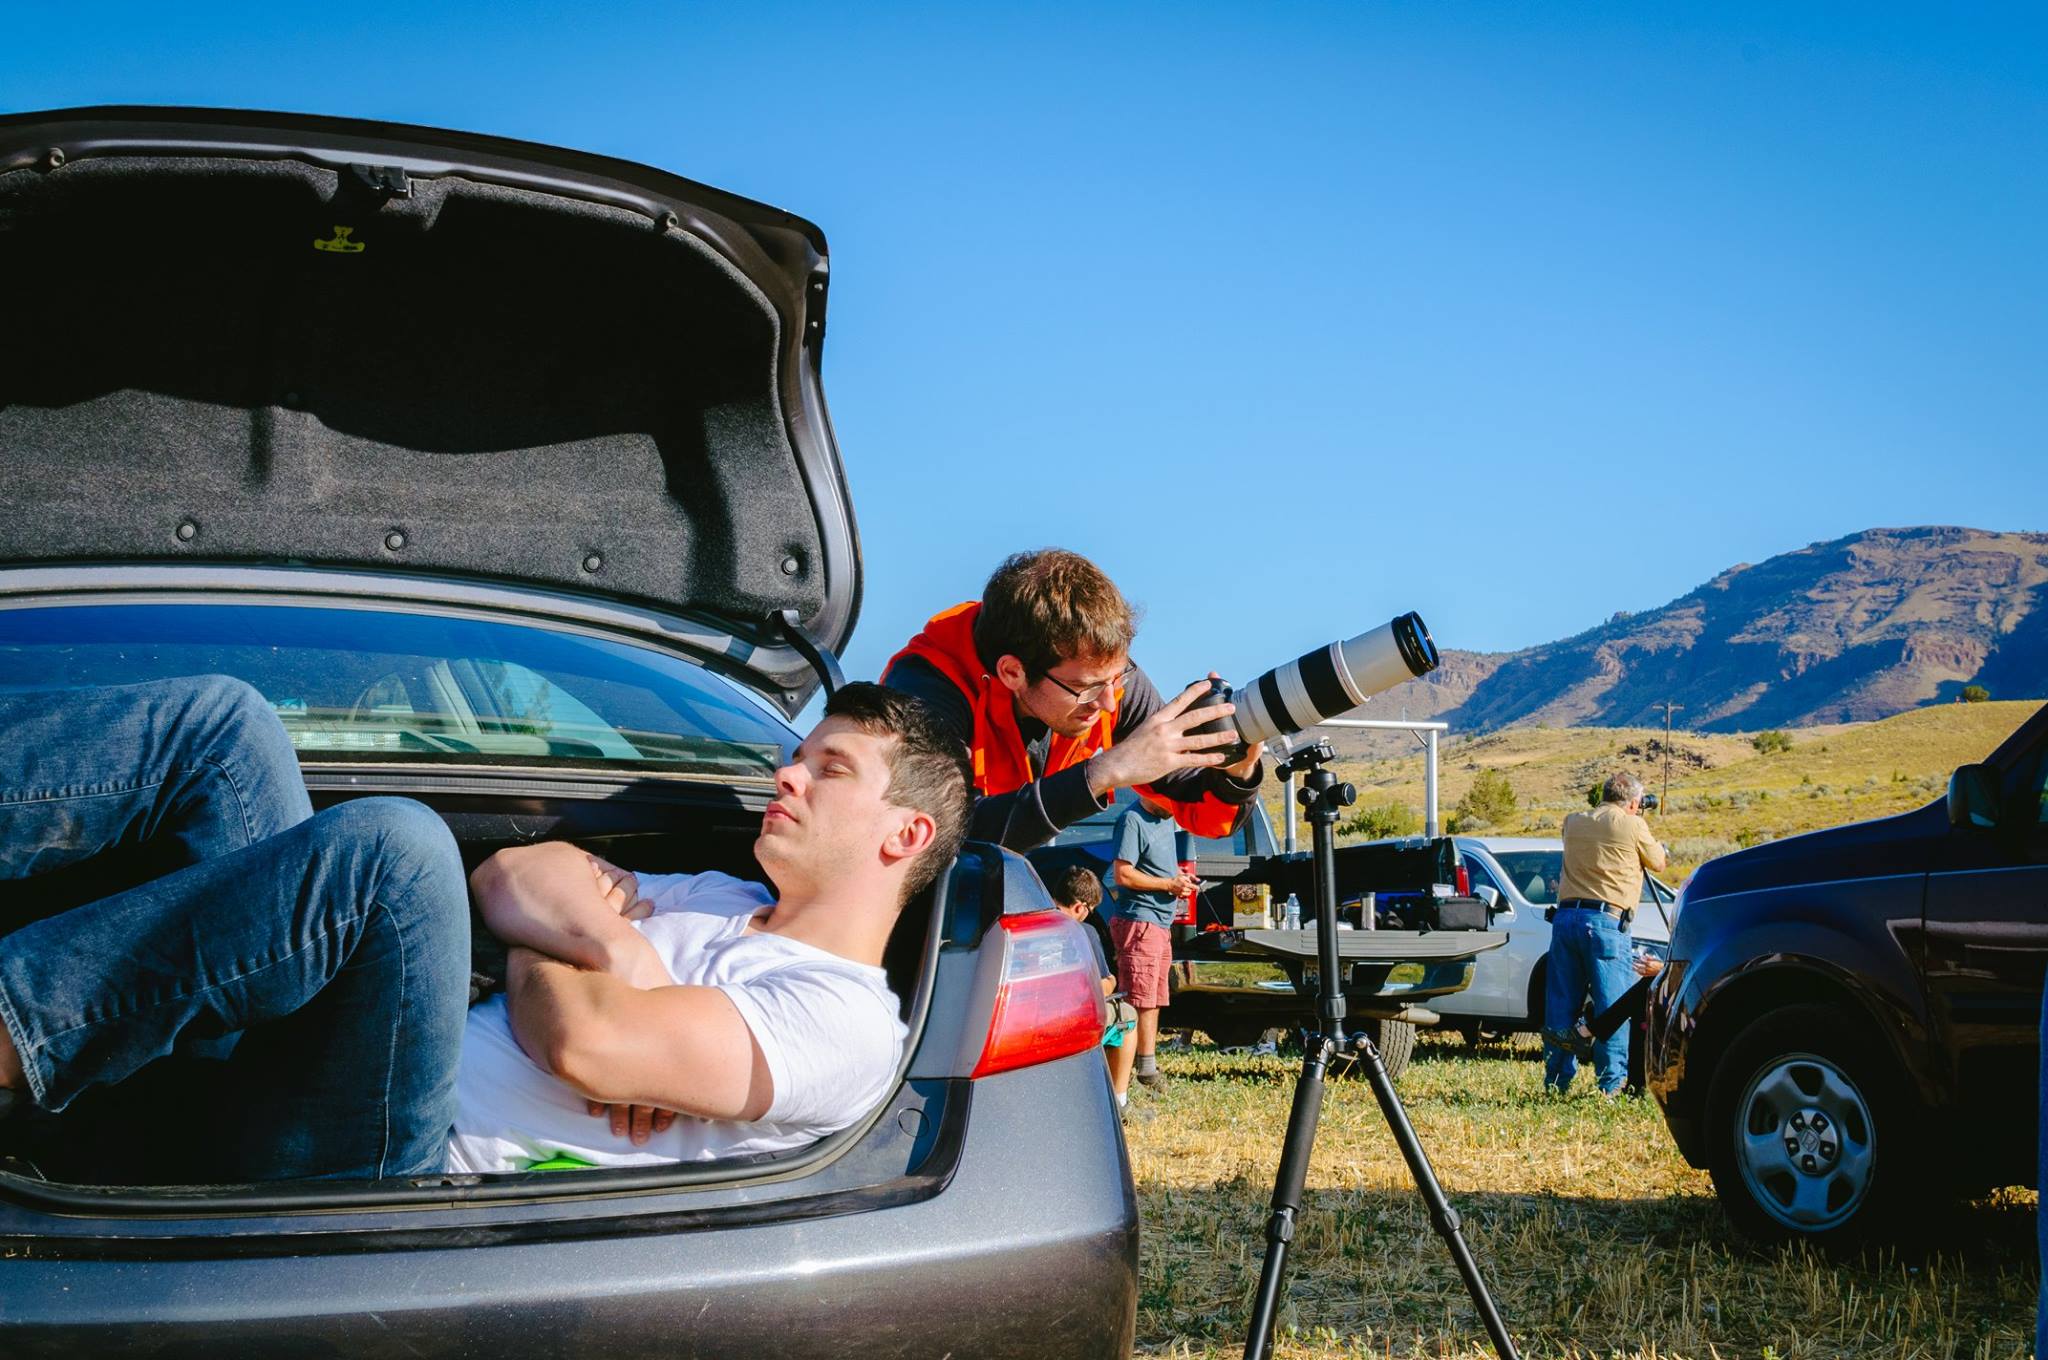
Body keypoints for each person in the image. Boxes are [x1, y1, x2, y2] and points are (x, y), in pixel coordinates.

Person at [447, 682, 971, 1172]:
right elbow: (509, 873)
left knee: (404, 844)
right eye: (797, 760)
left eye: (831, 770)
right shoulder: (717, 893)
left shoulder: (849, 1021)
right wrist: (616, 951)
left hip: (422, 1150)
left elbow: (586, 1043)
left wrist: (530, 941)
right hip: (408, 1045)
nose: (786, 777)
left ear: (907, 834)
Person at [0, 676, 471, 1183]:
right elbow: (511, 874)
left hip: (385, 1169)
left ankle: (13, 1035)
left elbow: (569, 1047)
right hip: (303, 1052)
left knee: (399, 856)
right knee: (232, 730)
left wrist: (542, 956)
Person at [882, 548, 1265, 852]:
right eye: (1086, 688)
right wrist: (1103, 772)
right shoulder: (924, 691)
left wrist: (1237, 773)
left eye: (1116, 679)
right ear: (1012, 671)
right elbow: (939, 841)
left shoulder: (1104, 678)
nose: (1108, 705)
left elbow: (1201, 809)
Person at [1543, 771, 1667, 1096]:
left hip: (1566, 917)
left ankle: (1556, 1082)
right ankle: (1610, 1085)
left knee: (1561, 1002)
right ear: (1633, 803)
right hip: (1605, 922)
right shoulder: (1633, 824)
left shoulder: (1574, 820)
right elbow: (1658, 862)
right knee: (1612, 1004)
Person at [1106, 792, 1197, 1105]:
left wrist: (1179, 880)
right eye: (1170, 801)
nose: (1174, 809)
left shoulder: (1165, 819)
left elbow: (1158, 871)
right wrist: (1167, 885)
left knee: (1153, 996)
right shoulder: (1132, 820)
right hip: (1139, 921)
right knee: (1136, 998)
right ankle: (1122, 1081)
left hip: (1159, 922)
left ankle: (1147, 1066)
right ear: (1152, 793)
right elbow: (1123, 873)